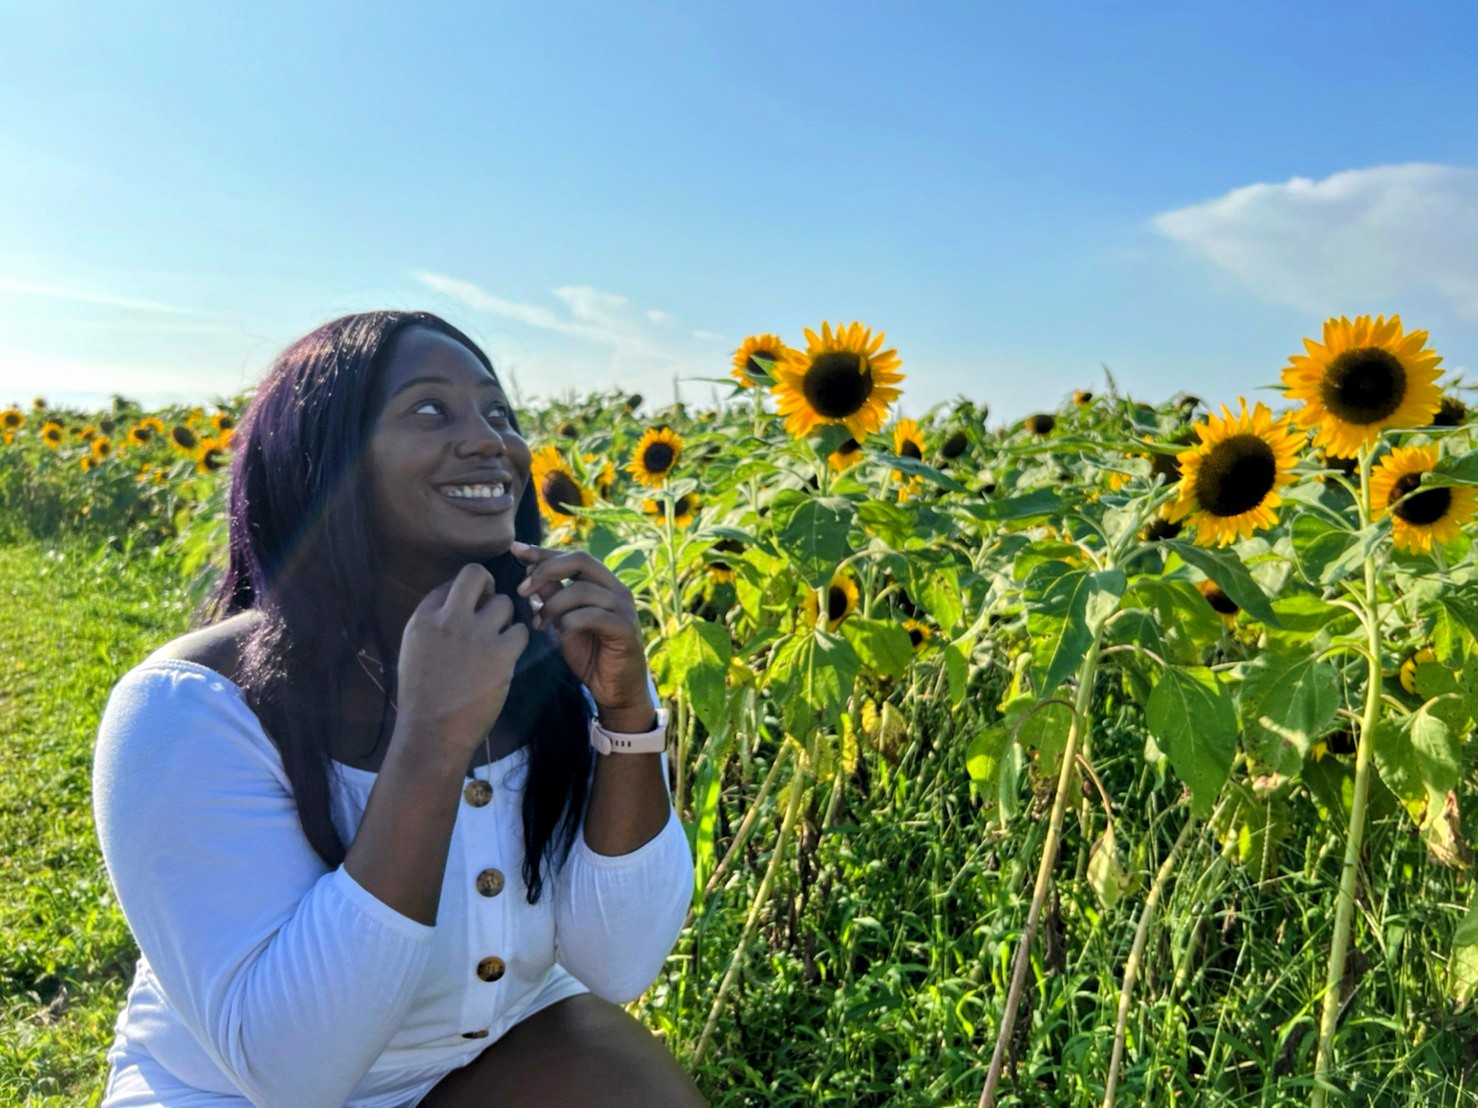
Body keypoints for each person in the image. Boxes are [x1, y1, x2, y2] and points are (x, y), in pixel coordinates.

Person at [92, 311, 707, 1106]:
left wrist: (626, 711)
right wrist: (432, 739)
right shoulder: (189, 710)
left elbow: (620, 962)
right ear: (327, 461)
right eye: (429, 409)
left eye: (498, 412)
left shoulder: (560, 657)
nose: (490, 440)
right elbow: (291, 1072)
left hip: (482, 1059)